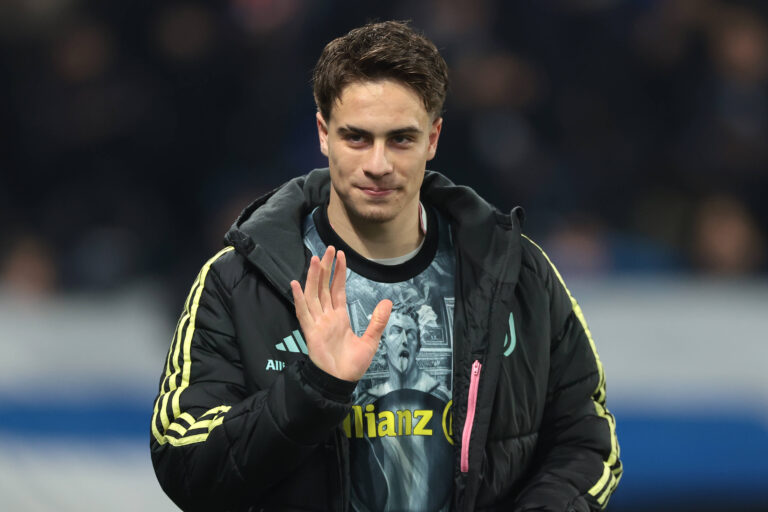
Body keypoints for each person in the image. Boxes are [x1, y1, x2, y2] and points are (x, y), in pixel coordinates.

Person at [150, 20, 622, 512]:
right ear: (323, 134)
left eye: (400, 139)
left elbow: (586, 442)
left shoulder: (518, 272)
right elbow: (185, 464)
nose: (378, 164)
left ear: (433, 138)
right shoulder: (239, 280)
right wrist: (314, 388)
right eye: (356, 138)